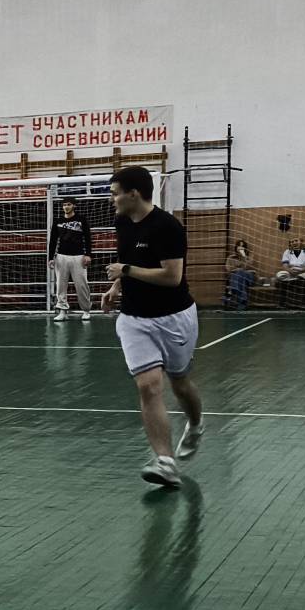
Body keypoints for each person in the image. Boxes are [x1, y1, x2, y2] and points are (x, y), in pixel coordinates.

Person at [98, 165, 203, 488]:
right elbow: (129, 262)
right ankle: (165, 461)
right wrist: (116, 287)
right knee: (148, 385)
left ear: (134, 194)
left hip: (175, 316)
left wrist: (126, 271)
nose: (112, 199)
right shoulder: (122, 222)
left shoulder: (167, 227)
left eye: (115, 193)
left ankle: (196, 424)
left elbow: (172, 278)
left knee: (180, 384)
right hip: (134, 319)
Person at [47, 198, 94, 320]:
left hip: (78, 256)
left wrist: (88, 254)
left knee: (82, 285)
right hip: (61, 257)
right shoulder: (58, 221)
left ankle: (86, 310)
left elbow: (88, 238)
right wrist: (50, 257)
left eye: (68, 204)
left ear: (74, 206)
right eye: (64, 205)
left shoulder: (81, 219)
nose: (66, 207)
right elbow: (53, 241)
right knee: (60, 286)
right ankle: (62, 311)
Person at [274, 236, 305, 309]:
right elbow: (285, 265)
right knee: (279, 275)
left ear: (301, 242)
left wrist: (300, 271)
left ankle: (304, 304)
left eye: (296, 241)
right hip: (291, 272)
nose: (294, 243)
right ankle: (282, 304)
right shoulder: (287, 251)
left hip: (303, 272)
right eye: (292, 242)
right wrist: (290, 271)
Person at [223, 240, 257, 310]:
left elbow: (249, 267)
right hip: (237, 278)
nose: (241, 248)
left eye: (243, 246)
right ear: (236, 247)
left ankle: (232, 291)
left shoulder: (249, 256)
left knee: (240, 273)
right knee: (240, 276)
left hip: (248, 277)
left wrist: (244, 257)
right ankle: (242, 302)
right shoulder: (231, 257)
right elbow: (228, 269)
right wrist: (238, 270)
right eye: (239, 246)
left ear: (245, 248)